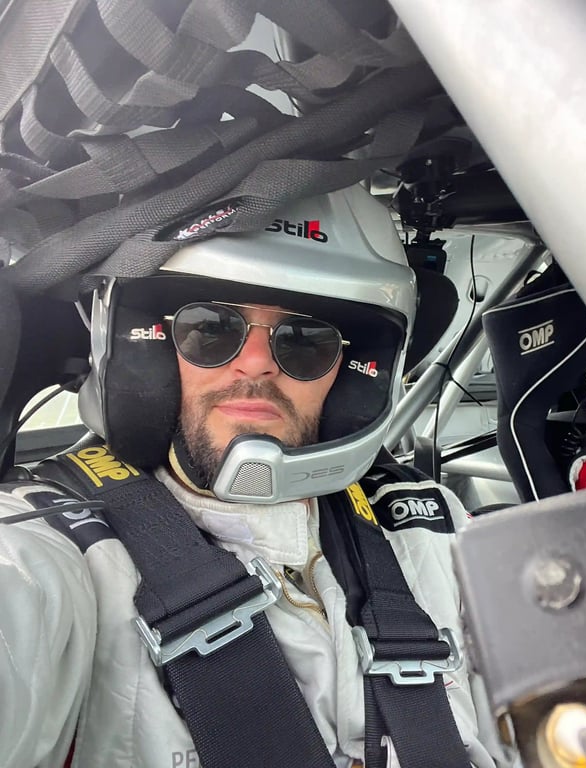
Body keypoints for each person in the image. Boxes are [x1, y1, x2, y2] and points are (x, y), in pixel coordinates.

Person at [0, 184, 512, 768]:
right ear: (148, 348)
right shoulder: (57, 543)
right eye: (211, 328)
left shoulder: (431, 523)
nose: (257, 362)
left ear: (348, 374)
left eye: (305, 341)